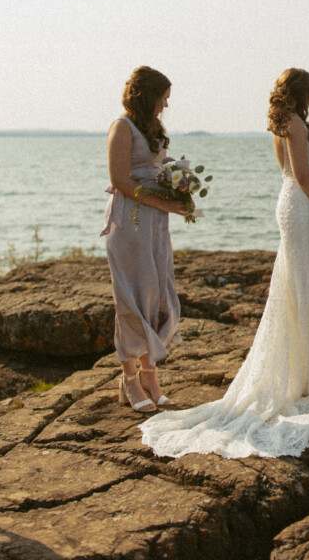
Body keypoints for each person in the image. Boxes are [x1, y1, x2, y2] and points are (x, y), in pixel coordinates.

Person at [140, 68, 309, 459]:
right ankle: (306, 375)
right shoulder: (296, 123)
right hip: (302, 208)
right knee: (304, 284)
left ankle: (304, 371)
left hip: (290, 203)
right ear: (305, 93)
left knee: (298, 284)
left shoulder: (280, 123)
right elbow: (305, 177)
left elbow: (292, 174)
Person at [102, 66, 190, 413]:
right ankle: (128, 378)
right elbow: (120, 180)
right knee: (131, 298)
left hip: (156, 225)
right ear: (146, 95)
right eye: (162, 97)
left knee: (157, 293)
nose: (165, 104)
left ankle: (150, 374)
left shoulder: (153, 127)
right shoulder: (121, 127)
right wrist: (162, 201)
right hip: (129, 222)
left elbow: (158, 167)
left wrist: (182, 187)